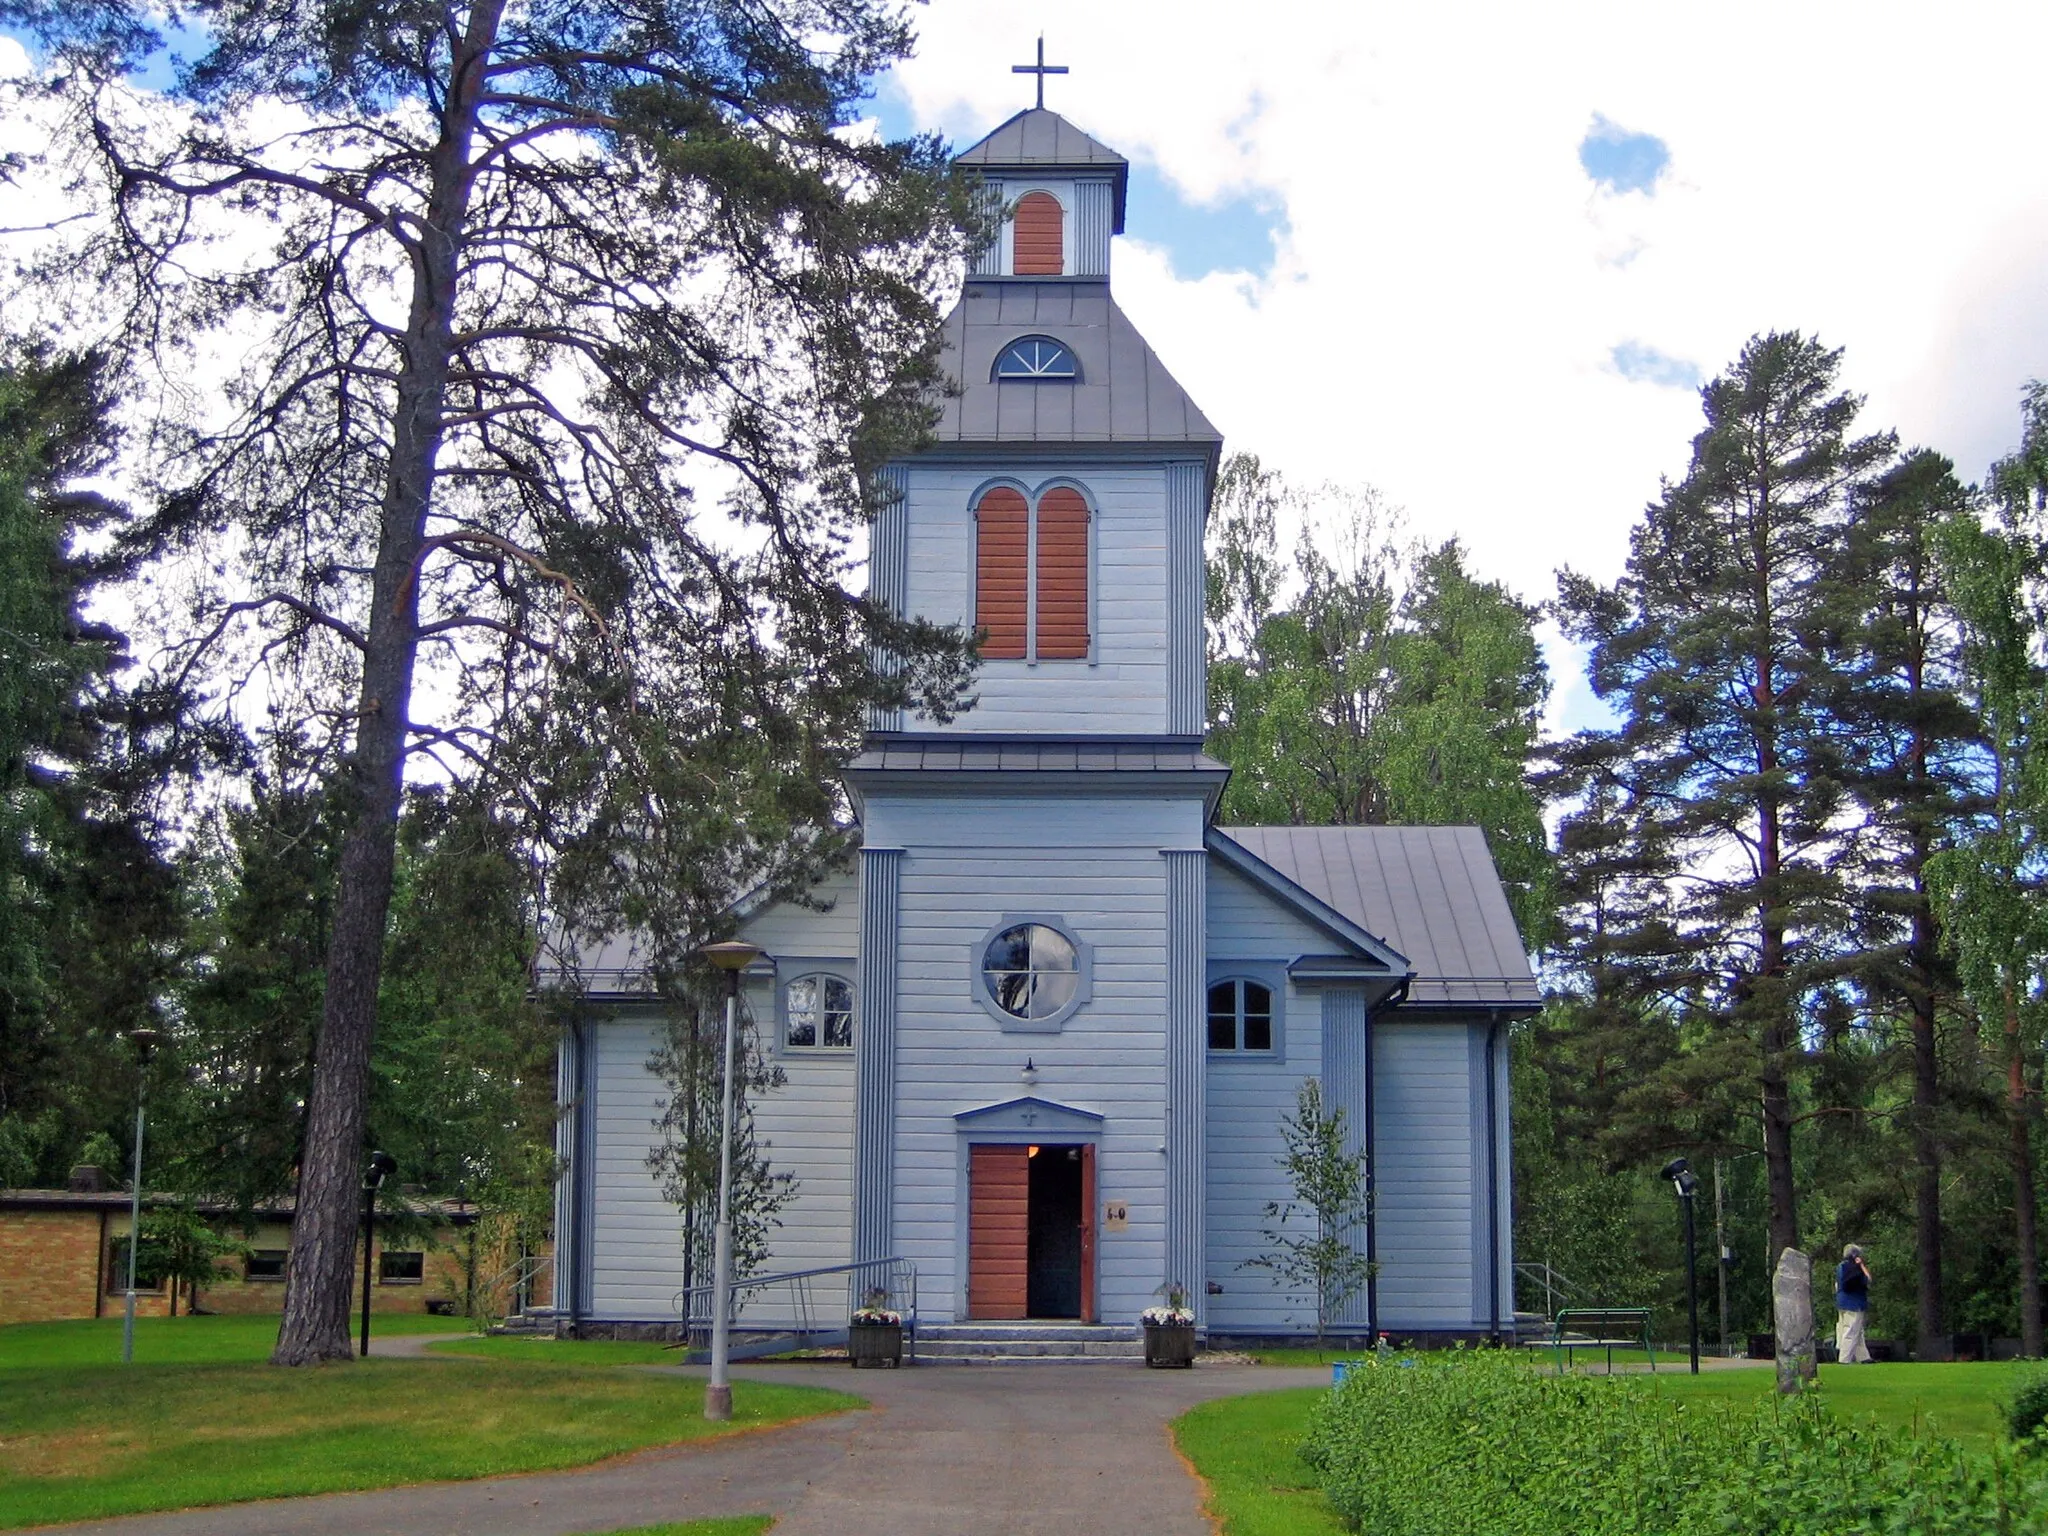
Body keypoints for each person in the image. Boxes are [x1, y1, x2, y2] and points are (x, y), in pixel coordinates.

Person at [1835, 1244, 1873, 1364]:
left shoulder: (1841, 1267)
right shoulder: (1855, 1269)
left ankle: (1863, 1357)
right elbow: (1867, 1279)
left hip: (1842, 1302)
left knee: (1857, 1331)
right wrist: (1861, 1265)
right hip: (1854, 1303)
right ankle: (1844, 1359)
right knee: (1851, 1331)